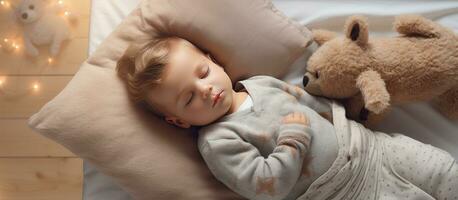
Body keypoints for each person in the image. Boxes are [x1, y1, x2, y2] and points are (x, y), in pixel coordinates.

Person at [116, 36, 458, 200]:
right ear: (179, 121)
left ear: (212, 59)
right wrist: (293, 142)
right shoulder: (218, 142)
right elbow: (266, 187)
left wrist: (351, 111)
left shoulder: (259, 84)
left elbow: (311, 100)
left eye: (202, 73)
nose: (204, 90)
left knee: (442, 169)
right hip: (342, 192)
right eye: (188, 98)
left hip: (372, 147)